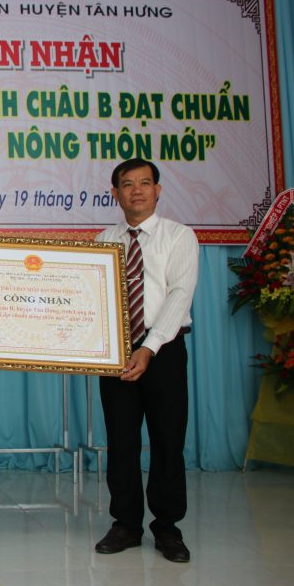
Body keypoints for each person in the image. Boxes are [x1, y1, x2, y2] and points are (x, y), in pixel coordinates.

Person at [95, 158, 198, 563]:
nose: (136, 190)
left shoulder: (179, 236)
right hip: (116, 351)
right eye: (127, 184)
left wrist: (149, 347)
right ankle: (126, 524)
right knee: (121, 441)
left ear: (158, 190)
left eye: (144, 183)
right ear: (115, 193)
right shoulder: (104, 239)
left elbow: (180, 295)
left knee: (167, 440)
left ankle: (167, 527)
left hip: (164, 350)